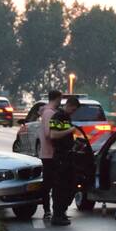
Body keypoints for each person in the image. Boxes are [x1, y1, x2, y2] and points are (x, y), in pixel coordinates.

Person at [47, 95, 80, 226]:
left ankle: (62, 212)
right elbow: (53, 134)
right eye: (74, 109)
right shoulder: (57, 117)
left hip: (68, 156)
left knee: (70, 185)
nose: (74, 112)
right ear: (70, 105)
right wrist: (70, 130)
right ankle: (57, 215)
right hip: (60, 157)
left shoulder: (67, 117)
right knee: (60, 187)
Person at [37, 90, 62, 221]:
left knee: (51, 183)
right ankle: (47, 210)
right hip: (49, 154)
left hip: (49, 153)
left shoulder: (48, 112)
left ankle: (50, 210)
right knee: (49, 184)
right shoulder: (49, 113)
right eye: (60, 99)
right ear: (57, 99)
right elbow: (49, 134)